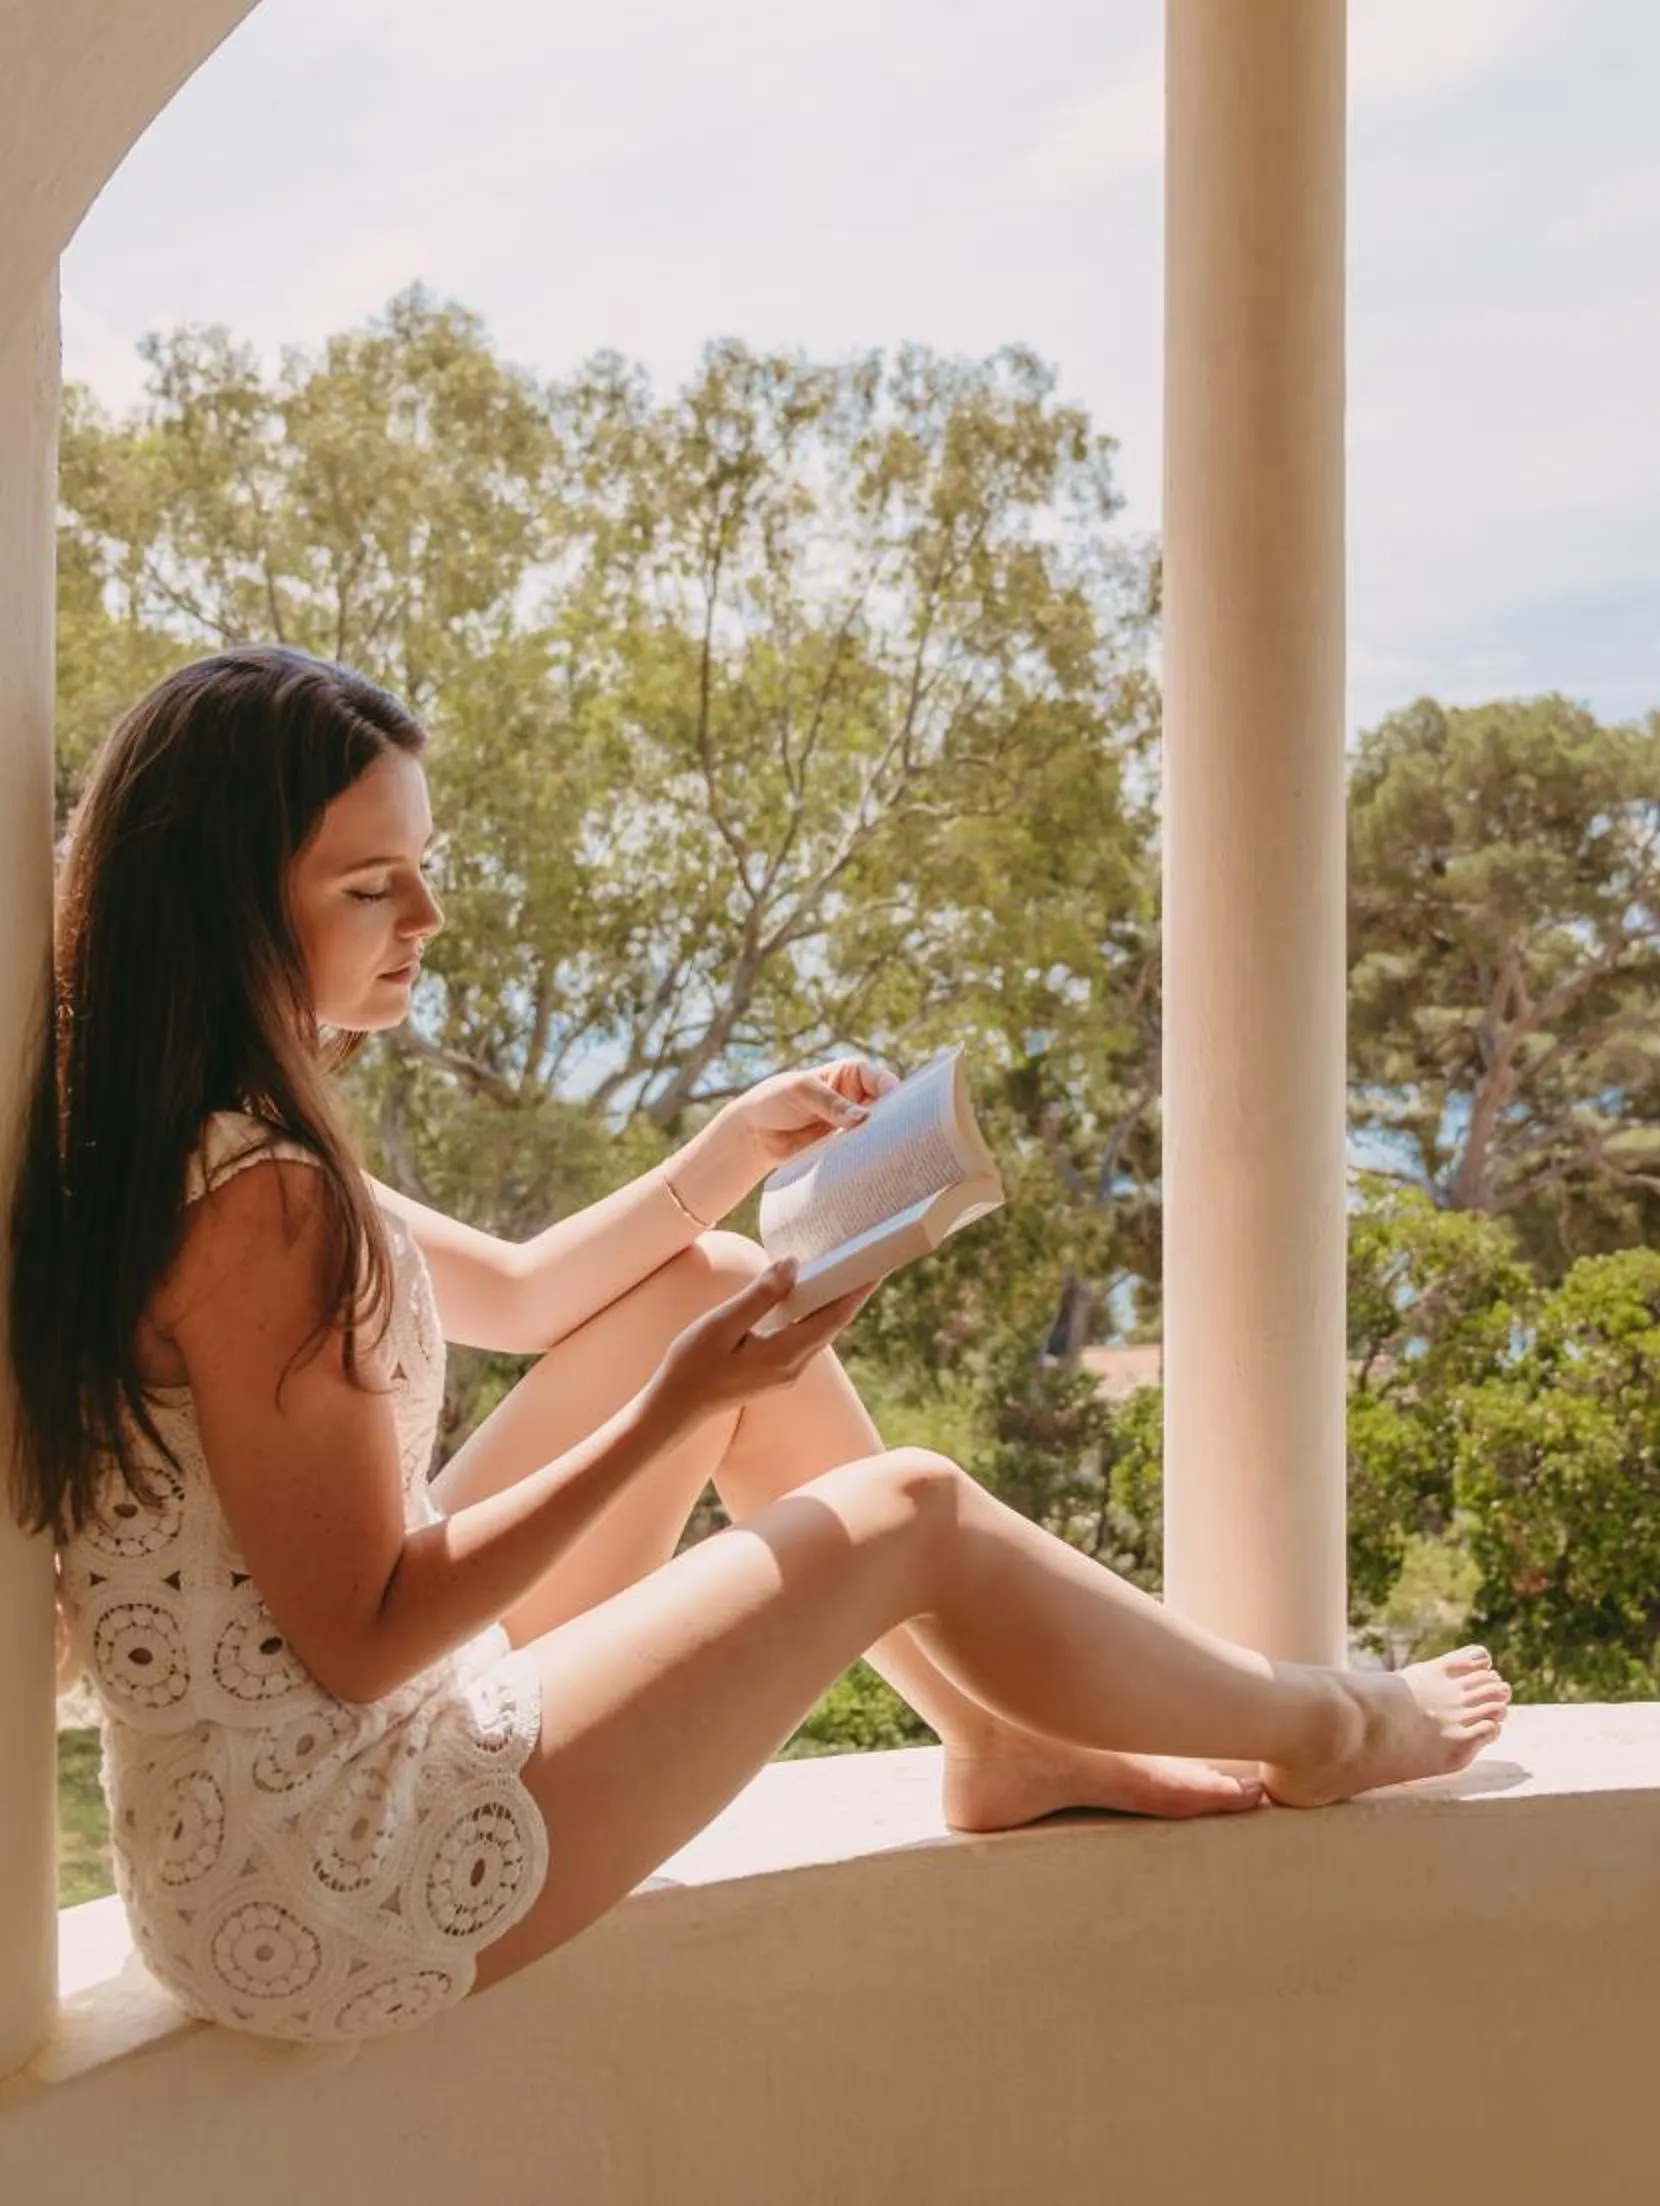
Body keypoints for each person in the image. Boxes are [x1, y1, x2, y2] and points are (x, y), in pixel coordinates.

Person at [7, 646, 1510, 2047]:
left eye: (426, 872)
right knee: (903, 1511)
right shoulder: (266, 1207)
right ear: (228, 907)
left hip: (264, 1804)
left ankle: (1001, 1741)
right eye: (371, 887)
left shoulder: (195, 1126)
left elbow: (527, 1296)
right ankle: (1331, 1719)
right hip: (333, 1861)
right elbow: (364, 1635)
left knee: (711, 1282)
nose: (429, 922)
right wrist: (677, 1410)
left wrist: (730, 1149)